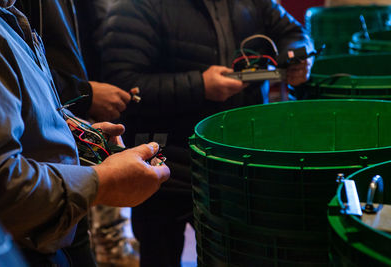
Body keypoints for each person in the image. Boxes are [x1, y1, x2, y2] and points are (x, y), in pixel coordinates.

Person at [100, 0, 314, 266]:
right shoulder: (138, 6)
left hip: (236, 164)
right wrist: (200, 85)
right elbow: (122, 88)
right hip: (166, 167)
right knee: (160, 254)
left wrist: (296, 57)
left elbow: (292, 32)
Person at [0, 0, 170, 266]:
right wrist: (104, 181)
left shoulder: (7, 14)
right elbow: (3, 187)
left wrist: (74, 134)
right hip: (27, 248)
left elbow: (27, 113)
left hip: (55, 229)